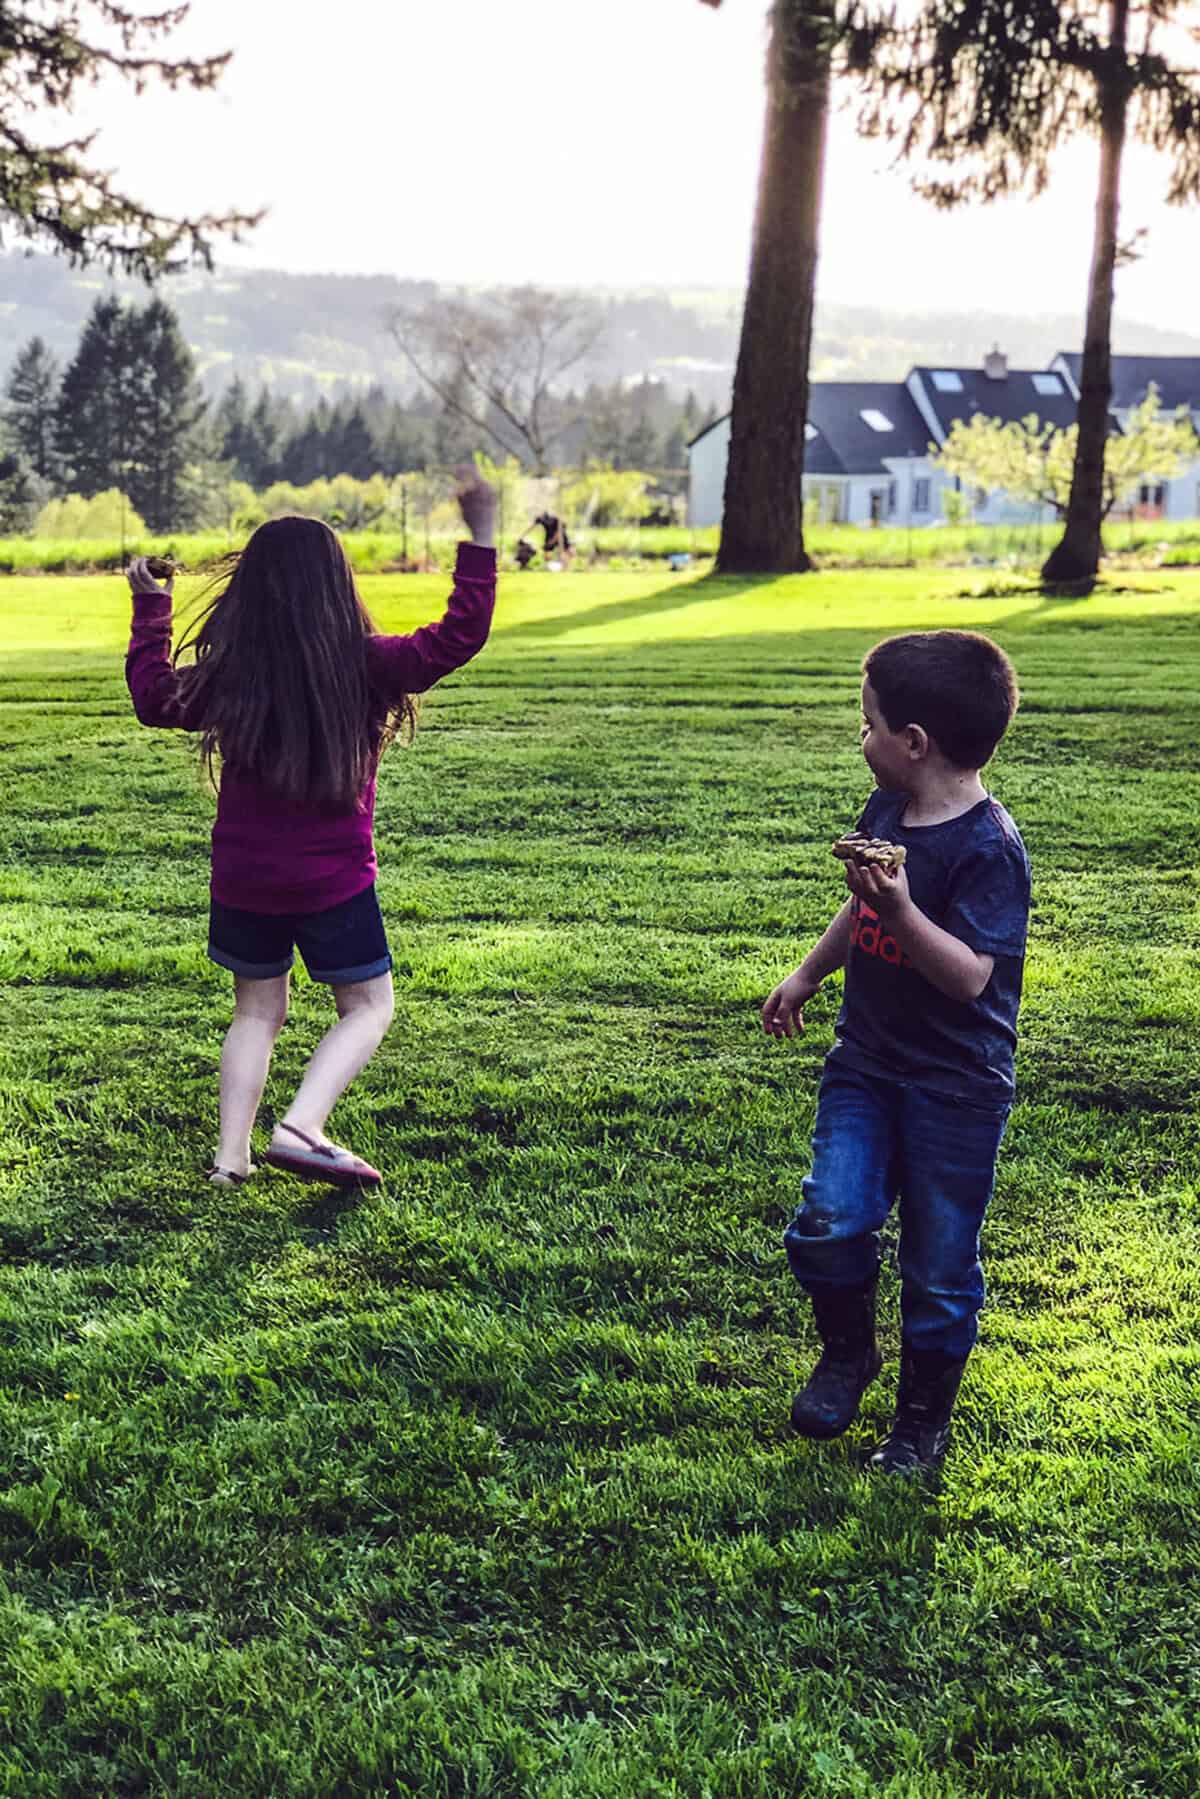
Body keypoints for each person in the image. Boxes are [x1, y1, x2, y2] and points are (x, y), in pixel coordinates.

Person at [124, 466, 498, 1191]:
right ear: (338, 587)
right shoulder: (369, 664)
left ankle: (231, 1160)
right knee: (368, 1005)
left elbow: (153, 697)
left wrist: (151, 606)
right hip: (333, 881)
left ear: (250, 594)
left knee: (256, 1009)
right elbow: (457, 637)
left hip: (243, 878)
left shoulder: (231, 675)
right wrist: (480, 538)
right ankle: (301, 1124)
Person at [761, 631, 1029, 1474]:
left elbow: (970, 979)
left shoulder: (988, 848)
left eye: (868, 724)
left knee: (940, 1263)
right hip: (866, 1065)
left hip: (956, 1086)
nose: (861, 739)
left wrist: (906, 909)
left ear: (915, 743)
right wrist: (807, 974)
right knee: (828, 1217)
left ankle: (920, 1422)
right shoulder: (884, 817)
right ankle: (849, 1353)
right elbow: (863, 912)